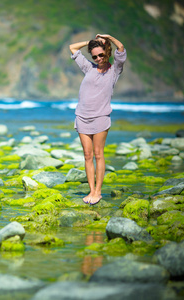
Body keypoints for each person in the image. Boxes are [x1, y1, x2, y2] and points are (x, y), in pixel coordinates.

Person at [69, 34, 126, 205]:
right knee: (87, 155)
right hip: (82, 116)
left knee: (98, 154)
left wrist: (108, 38)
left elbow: (121, 49)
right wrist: (90, 43)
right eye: (94, 56)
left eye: (101, 55)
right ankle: (91, 191)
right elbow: (72, 48)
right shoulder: (89, 68)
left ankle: (98, 192)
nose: (98, 58)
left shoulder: (114, 70)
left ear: (106, 53)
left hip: (101, 117)